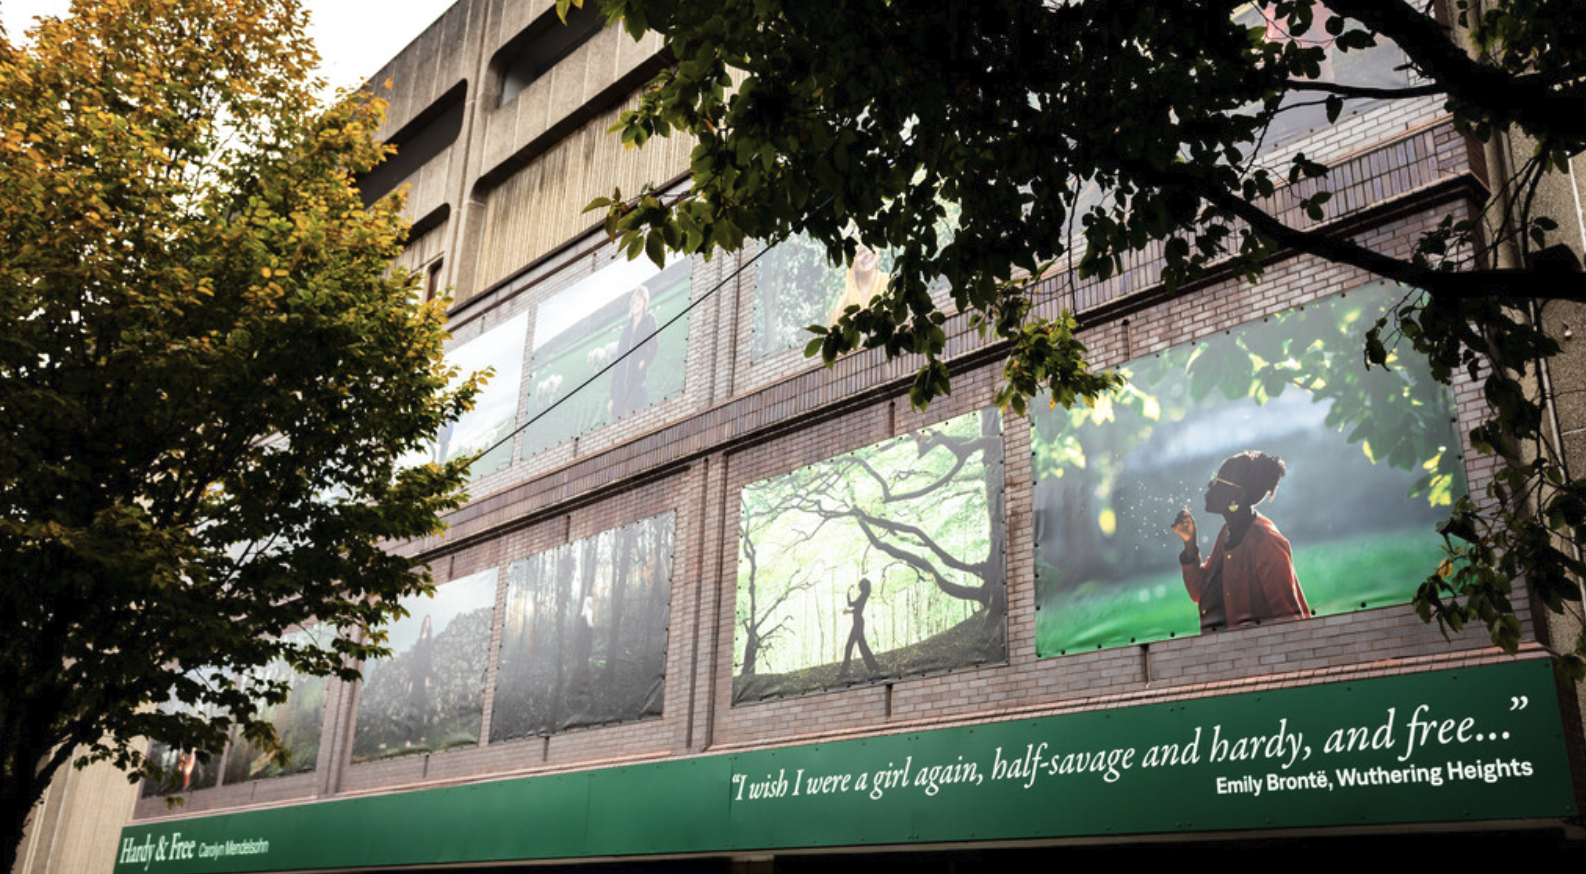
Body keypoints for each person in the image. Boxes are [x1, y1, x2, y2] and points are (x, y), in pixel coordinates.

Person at [1171, 451, 1310, 633]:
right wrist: (1190, 544)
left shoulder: (1267, 543)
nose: (1210, 484)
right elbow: (1200, 591)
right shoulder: (1228, 532)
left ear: (1239, 495)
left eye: (1219, 480)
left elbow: (1291, 624)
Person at [609, 283, 658, 421]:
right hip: (620, 387)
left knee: (637, 418)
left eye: (639, 300)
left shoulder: (649, 321)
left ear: (644, 302)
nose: (636, 304)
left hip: (637, 381)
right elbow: (617, 362)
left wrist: (645, 361)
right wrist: (612, 397)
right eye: (634, 301)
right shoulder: (625, 330)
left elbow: (654, 345)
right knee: (617, 425)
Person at [827, 245, 889, 325]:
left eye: (871, 248)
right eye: (861, 252)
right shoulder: (843, 303)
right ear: (852, 261)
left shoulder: (891, 284)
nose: (868, 254)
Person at [837, 577, 881, 679]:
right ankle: (873, 667)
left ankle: (844, 671)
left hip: (858, 623)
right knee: (861, 646)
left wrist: (848, 611)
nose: (859, 587)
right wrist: (848, 593)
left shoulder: (863, 595)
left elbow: (857, 609)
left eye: (860, 585)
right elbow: (851, 604)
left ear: (863, 586)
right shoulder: (862, 595)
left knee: (850, 646)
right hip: (857, 622)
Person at [405, 614, 435, 746]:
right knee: (413, 705)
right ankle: (410, 736)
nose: (427, 624)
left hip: (423, 676)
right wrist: (410, 681)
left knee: (422, 705)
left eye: (429, 622)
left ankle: (419, 734)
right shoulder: (419, 641)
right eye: (426, 622)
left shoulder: (429, 641)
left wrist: (427, 677)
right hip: (415, 676)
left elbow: (428, 660)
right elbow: (414, 661)